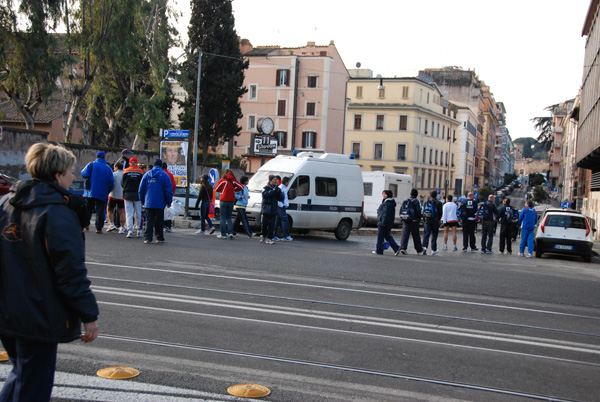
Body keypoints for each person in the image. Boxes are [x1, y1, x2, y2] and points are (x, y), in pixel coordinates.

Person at [0, 142, 99, 401]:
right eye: (70, 171)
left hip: (7, 310)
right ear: (57, 176)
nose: (74, 177)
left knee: (22, 372)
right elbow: (70, 272)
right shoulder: (58, 214)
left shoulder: (6, 204)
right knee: (33, 384)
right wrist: (89, 315)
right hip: (39, 313)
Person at [138, 159, 173, 244]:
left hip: (148, 202)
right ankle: (159, 237)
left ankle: (147, 238)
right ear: (161, 166)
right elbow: (168, 190)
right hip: (160, 202)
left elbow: (141, 189)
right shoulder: (164, 176)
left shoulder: (147, 175)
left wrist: (142, 200)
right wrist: (169, 202)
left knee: (149, 220)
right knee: (159, 221)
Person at [81, 151, 114, 234]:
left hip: (90, 191)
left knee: (88, 209)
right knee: (100, 209)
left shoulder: (91, 164)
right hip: (102, 192)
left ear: (96, 157)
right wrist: (107, 191)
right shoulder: (108, 168)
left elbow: (83, 174)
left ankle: (86, 225)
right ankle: (98, 228)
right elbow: (111, 183)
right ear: (104, 158)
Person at [214, 170, 244, 239]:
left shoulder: (223, 180)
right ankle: (230, 233)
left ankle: (223, 234)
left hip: (223, 200)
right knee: (229, 217)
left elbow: (216, 188)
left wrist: (222, 191)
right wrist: (234, 190)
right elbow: (241, 187)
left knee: (223, 217)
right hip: (231, 200)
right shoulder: (234, 181)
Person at [373, 190, 400, 255]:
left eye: (383, 194)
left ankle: (379, 250)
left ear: (386, 195)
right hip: (388, 222)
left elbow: (385, 213)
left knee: (380, 237)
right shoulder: (390, 203)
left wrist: (383, 222)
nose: (382, 195)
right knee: (387, 236)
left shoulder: (387, 203)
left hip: (383, 222)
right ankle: (396, 248)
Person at [123, 157, 144, 238]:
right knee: (138, 213)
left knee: (129, 213)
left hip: (127, 194)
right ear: (136, 163)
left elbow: (122, 183)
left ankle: (130, 231)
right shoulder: (140, 172)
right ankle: (139, 230)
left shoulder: (125, 171)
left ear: (130, 163)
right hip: (137, 195)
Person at [399, 189, 424, 255]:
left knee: (405, 234)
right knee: (415, 235)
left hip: (406, 220)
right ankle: (419, 249)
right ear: (416, 194)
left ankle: (403, 247)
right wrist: (419, 217)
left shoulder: (406, 201)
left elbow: (401, 210)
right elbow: (419, 211)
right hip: (414, 220)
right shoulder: (416, 201)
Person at [260, 175, 283, 245]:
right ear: (270, 180)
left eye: (276, 179)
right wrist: (273, 191)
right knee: (264, 224)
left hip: (273, 209)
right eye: (274, 179)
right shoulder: (266, 188)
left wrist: (279, 192)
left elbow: (281, 198)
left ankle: (269, 238)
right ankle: (263, 236)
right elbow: (264, 195)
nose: (275, 181)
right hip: (266, 209)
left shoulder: (277, 188)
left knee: (272, 225)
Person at [106, 161, 126, 234]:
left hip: (113, 195)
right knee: (121, 211)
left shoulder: (113, 174)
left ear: (116, 167)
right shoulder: (124, 174)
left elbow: (110, 183)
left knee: (109, 209)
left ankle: (112, 224)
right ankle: (122, 227)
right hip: (122, 196)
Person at [421, 190, 443, 255]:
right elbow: (440, 212)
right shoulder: (438, 203)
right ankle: (434, 249)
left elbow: (424, 211)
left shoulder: (426, 202)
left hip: (427, 220)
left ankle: (424, 247)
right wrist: (438, 219)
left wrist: (425, 219)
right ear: (436, 195)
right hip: (435, 220)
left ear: (430, 195)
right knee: (434, 235)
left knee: (426, 234)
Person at [273, 176, 293, 241]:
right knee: (285, 220)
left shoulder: (283, 188)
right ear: (286, 182)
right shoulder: (281, 188)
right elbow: (278, 198)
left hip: (281, 207)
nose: (289, 183)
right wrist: (282, 205)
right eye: (288, 182)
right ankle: (285, 235)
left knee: (277, 221)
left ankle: (274, 235)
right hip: (280, 207)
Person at [162, 162, 176, 233]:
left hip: (159, 196)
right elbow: (173, 185)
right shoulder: (170, 174)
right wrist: (171, 194)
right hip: (168, 195)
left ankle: (160, 225)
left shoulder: (159, 174)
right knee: (167, 211)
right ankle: (168, 226)